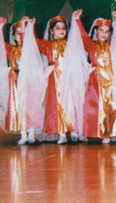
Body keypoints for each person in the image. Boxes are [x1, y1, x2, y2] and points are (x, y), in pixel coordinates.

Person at [72, 9, 116, 144]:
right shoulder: (91, 45)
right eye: (101, 31)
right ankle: (105, 133)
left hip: (112, 78)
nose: (104, 34)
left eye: (107, 31)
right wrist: (77, 20)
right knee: (101, 106)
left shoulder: (112, 44)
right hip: (96, 79)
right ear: (95, 31)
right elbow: (82, 35)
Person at [0, 16, 46, 145]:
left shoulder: (31, 49)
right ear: (14, 37)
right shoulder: (11, 50)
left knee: (31, 106)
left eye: (23, 33)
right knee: (18, 107)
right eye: (17, 34)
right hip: (15, 81)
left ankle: (31, 134)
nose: (20, 36)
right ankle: (23, 134)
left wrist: (27, 25)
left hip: (29, 82)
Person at [32, 16, 79, 144]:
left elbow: (80, 40)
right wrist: (30, 27)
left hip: (69, 77)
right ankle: (62, 133)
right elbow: (34, 41)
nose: (61, 31)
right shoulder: (48, 45)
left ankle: (74, 130)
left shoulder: (70, 43)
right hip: (55, 79)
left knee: (71, 103)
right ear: (51, 31)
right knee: (58, 104)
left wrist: (76, 20)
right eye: (57, 28)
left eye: (63, 28)